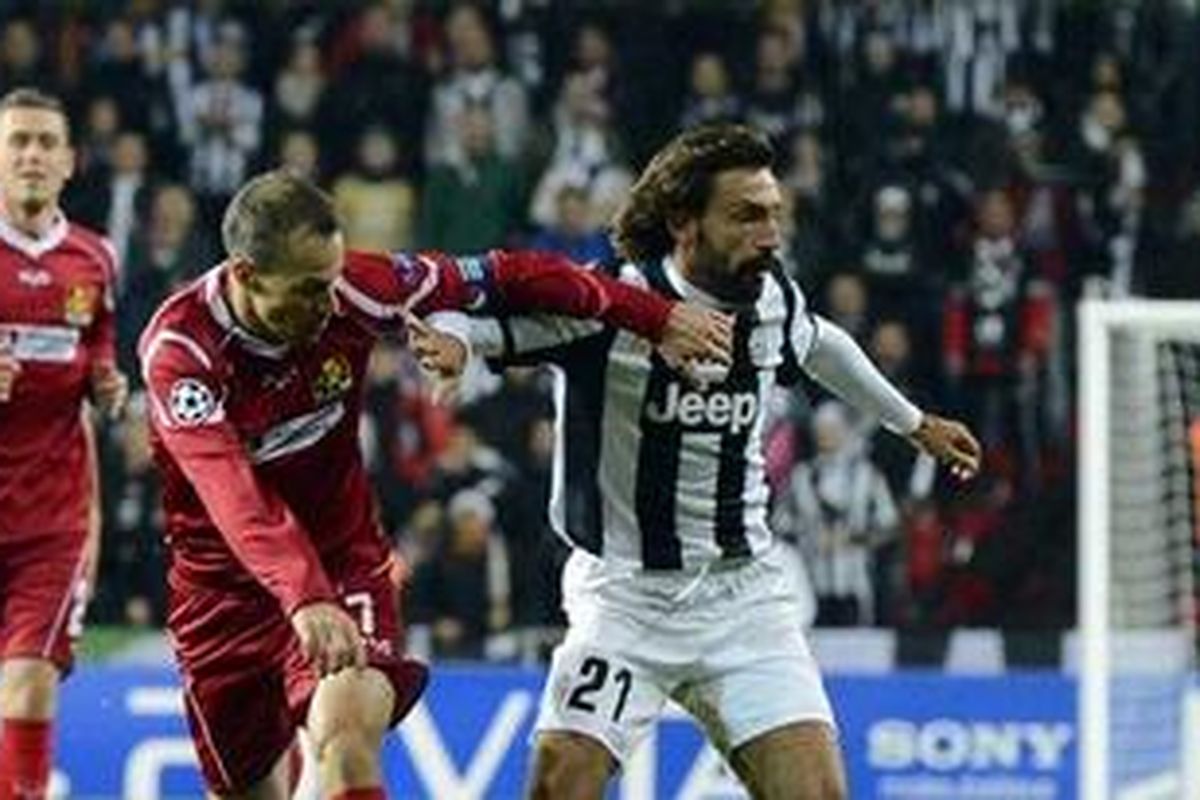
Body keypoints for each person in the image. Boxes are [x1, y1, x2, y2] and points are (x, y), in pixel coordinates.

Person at [136, 169, 730, 800]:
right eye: (309, 290)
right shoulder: (182, 353)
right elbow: (230, 486)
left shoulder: (356, 290)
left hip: (343, 564)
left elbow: (509, 276)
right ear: (245, 274)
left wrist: (651, 315)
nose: (327, 303)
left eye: (333, 280)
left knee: (345, 738)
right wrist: (299, 595)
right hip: (222, 591)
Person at [444, 124, 981, 799]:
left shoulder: (773, 299)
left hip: (742, 599)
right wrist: (459, 340)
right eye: (747, 216)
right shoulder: (608, 304)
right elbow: (489, 324)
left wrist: (915, 424)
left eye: (775, 214)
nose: (770, 235)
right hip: (625, 600)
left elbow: (818, 344)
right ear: (684, 223)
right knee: (559, 785)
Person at [0, 87, 127, 800]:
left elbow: (99, 344)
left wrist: (107, 384)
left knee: (27, 689)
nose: (31, 155)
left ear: (70, 161)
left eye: (46, 142)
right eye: (18, 140)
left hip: (51, 523)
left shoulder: (94, 259)